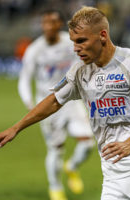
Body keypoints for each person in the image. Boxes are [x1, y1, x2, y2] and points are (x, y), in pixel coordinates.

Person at [0, 6, 130, 200]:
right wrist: (16, 128)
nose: (76, 48)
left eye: (81, 41)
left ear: (102, 35)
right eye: (73, 42)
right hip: (112, 176)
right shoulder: (80, 71)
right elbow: (54, 101)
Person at [17, 9, 94, 200]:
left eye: (52, 22)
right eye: (45, 23)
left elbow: (86, 64)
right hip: (48, 106)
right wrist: (29, 102)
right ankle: (55, 188)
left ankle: (72, 167)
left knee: (88, 144)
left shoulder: (71, 44)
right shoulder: (35, 50)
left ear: (60, 24)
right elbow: (24, 79)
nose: (48, 27)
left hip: (72, 102)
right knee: (56, 148)